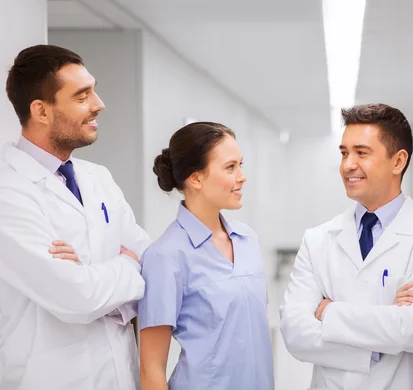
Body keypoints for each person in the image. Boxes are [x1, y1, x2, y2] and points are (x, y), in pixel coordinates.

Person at [280, 103, 413, 390]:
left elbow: (411, 330)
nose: (347, 164)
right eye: (344, 153)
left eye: (361, 153)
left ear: (398, 161)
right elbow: (296, 333)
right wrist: (380, 340)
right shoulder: (318, 239)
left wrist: (328, 312)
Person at [0, 45, 150, 390]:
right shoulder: (8, 192)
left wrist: (90, 274)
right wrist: (124, 265)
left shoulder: (98, 178)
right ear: (41, 110)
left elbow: (151, 260)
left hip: (120, 376)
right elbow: (76, 299)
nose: (99, 104)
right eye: (82, 96)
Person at [138, 122, 274, 390]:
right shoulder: (165, 256)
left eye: (240, 165)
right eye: (230, 167)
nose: (242, 176)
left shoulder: (247, 240)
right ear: (196, 178)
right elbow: (150, 368)